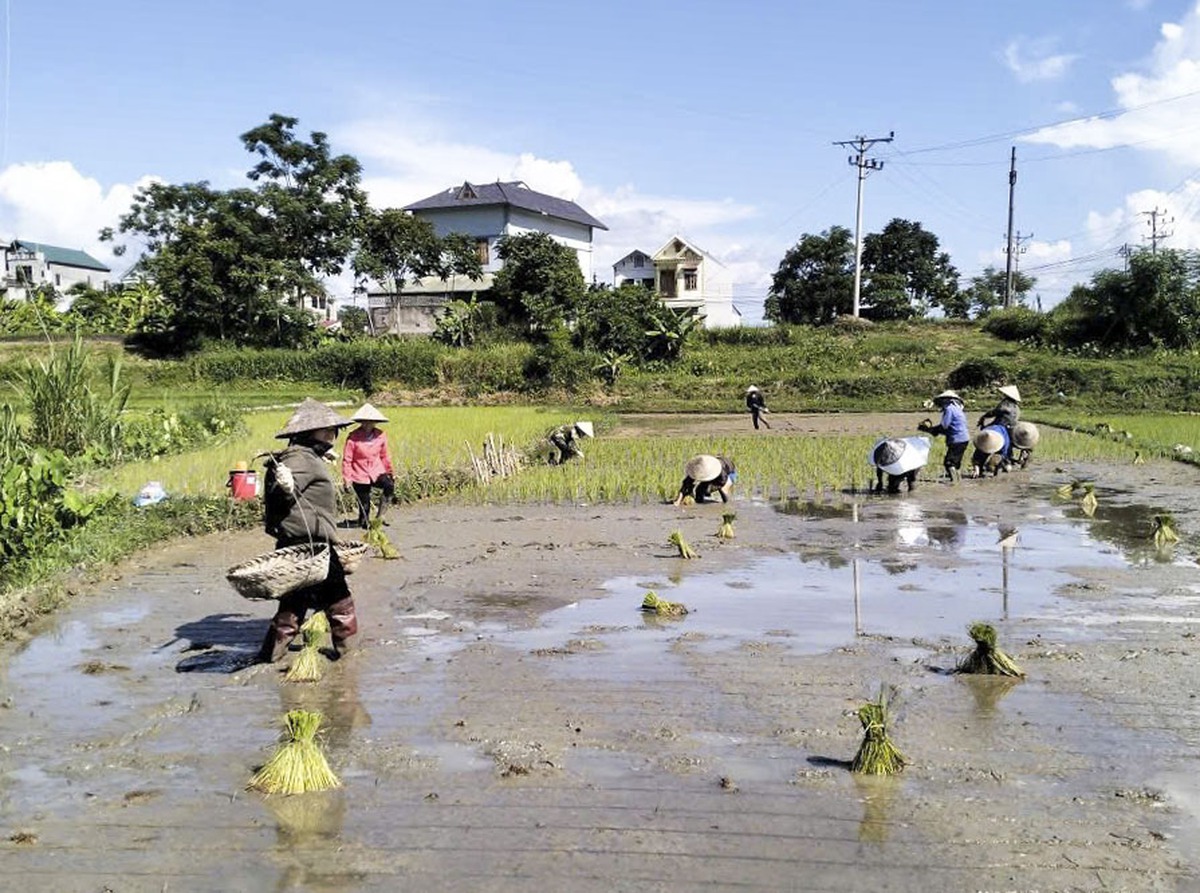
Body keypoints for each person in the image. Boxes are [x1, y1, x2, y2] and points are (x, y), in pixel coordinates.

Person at [256, 398, 359, 664]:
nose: (331, 435)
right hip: (313, 546)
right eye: (324, 430)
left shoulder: (303, 455)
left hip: (297, 545)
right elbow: (284, 487)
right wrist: (286, 485)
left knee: (294, 602)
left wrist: (317, 457)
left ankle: (270, 655)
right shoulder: (300, 458)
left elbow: (295, 475)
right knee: (340, 600)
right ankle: (348, 656)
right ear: (305, 433)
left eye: (333, 430)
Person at [342, 403, 395, 529]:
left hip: (376, 471)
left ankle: (380, 516)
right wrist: (347, 479)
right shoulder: (353, 437)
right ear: (360, 422)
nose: (367, 425)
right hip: (359, 474)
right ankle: (363, 521)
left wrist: (390, 471)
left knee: (389, 485)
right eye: (365, 422)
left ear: (375, 422)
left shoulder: (380, 435)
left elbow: (384, 455)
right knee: (364, 505)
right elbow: (347, 459)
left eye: (371, 422)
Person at [917, 390, 970, 481]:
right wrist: (934, 430)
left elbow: (945, 426)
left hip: (956, 439)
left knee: (949, 463)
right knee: (956, 463)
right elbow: (949, 427)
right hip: (964, 438)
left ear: (947, 400)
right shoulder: (957, 409)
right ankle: (958, 481)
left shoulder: (949, 409)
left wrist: (931, 430)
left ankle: (954, 483)